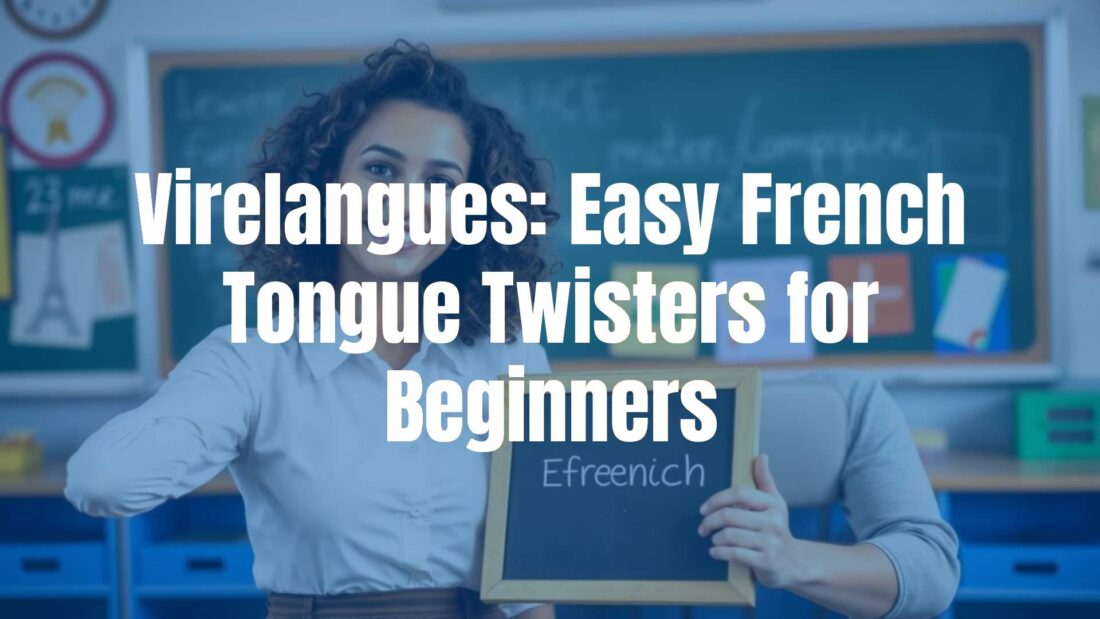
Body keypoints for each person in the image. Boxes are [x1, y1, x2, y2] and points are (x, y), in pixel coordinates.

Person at [66, 42, 558, 619]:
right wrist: (206, 415)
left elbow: (531, 578)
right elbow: (103, 482)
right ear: (326, 184)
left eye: (441, 182)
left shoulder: (506, 353)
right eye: (381, 170)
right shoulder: (252, 360)